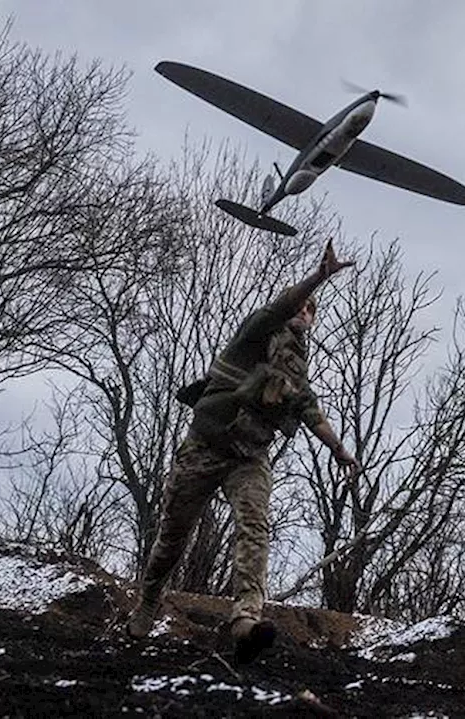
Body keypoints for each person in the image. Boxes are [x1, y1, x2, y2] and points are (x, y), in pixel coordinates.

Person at [126, 239, 362, 662]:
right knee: (172, 539)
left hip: (248, 457)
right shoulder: (254, 335)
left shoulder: (294, 372)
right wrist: (319, 277)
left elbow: (312, 413)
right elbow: (279, 305)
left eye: (311, 310)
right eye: (300, 306)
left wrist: (341, 451)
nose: (303, 312)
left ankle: (245, 620)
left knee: (255, 525)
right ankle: (148, 599)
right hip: (205, 447)